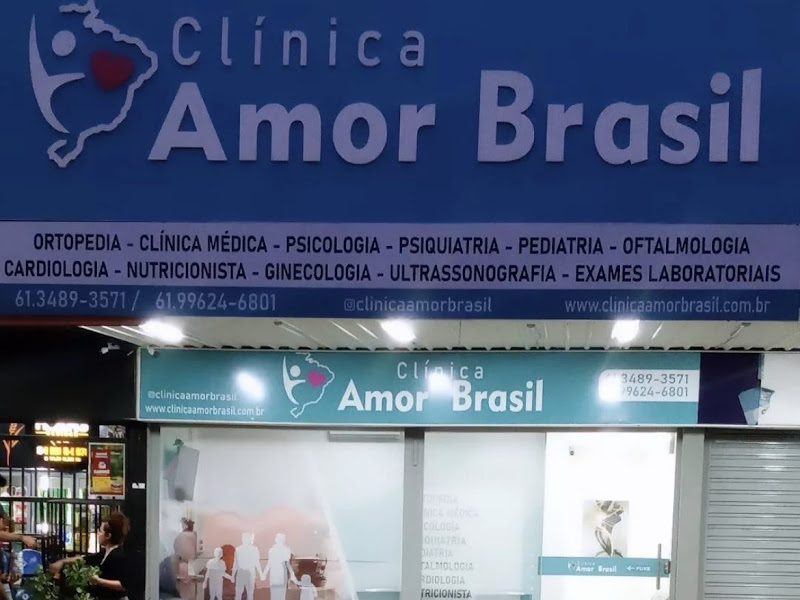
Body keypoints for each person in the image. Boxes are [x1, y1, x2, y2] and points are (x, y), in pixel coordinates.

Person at [50, 513, 131, 599]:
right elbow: (85, 559)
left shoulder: (117, 556)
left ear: (108, 536)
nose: (97, 533)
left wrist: (99, 581)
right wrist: (63, 561)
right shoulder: (104, 553)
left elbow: (123, 585)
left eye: (100, 531)